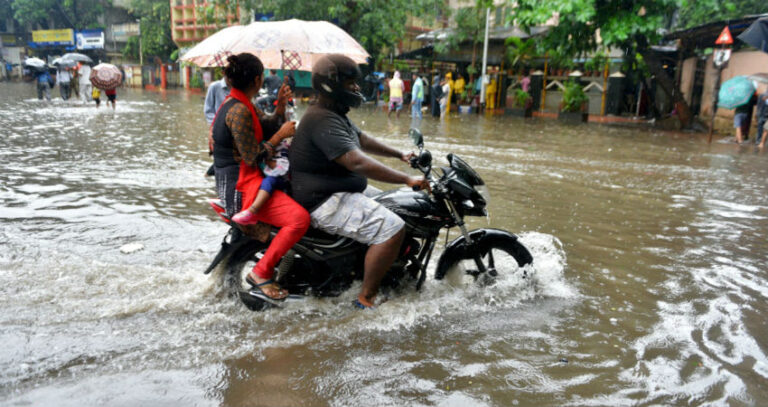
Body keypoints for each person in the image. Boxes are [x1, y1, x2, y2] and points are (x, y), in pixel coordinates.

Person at [289, 54, 429, 309]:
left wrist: (399, 155)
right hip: (325, 200)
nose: (356, 88)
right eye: (350, 83)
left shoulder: (333, 113)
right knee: (392, 228)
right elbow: (357, 162)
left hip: (340, 191)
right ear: (332, 85)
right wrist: (407, 178)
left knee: (397, 203)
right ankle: (366, 298)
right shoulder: (321, 119)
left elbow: (361, 140)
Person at [212, 52, 308, 302]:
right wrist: (280, 136)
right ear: (257, 80)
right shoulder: (238, 110)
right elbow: (252, 156)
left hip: (248, 177)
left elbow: (266, 125)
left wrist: (280, 107)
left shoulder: (241, 102)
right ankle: (261, 271)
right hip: (242, 185)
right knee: (299, 219)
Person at [230, 138, 290, 224]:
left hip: (282, 179)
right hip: (265, 175)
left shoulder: (283, 149)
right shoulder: (261, 148)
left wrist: (268, 160)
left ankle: (252, 211)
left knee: (269, 181)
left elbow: (283, 169)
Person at [204, 76, 231, 176]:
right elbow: (208, 110)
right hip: (218, 129)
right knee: (220, 158)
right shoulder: (215, 87)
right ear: (223, 73)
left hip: (232, 129)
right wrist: (215, 126)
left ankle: (209, 176)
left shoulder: (237, 87)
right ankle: (208, 176)